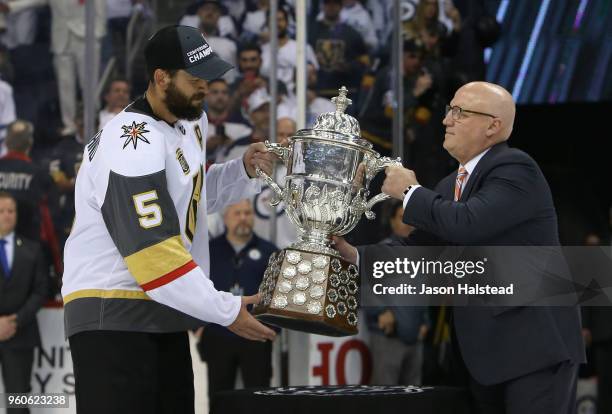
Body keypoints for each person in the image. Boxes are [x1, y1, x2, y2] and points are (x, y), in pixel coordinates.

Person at [62, 25, 276, 414]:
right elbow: (153, 254)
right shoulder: (130, 142)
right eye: (195, 79)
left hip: (163, 311)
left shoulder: (190, 121)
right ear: (161, 78)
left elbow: (186, 198)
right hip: (111, 312)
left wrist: (240, 172)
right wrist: (224, 309)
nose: (205, 88)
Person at [335, 82, 585, 413]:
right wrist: (354, 254)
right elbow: (419, 250)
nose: (446, 120)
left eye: (459, 112)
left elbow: (468, 223)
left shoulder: (516, 168)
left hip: (532, 349)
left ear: (493, 126)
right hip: (482, 356)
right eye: (449, 110)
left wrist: (410, 192)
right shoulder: (450, 184)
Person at [197, 199, 277, 399]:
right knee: (219, 396)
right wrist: (197, 327)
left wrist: (274, 328)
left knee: (259, 397)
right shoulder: (208, 251)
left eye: (248, 213)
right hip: (218, 335)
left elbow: (279, 294)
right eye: (237, 213)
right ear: (225, 218)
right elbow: (195, 287)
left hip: (256, 336)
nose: (243, 218)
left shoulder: (270, 252)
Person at [0, 191, 48, 414]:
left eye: (11, 211)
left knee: (17, 403)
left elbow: (40, 291)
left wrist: (16, 320)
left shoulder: (32, 250)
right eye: (1, 211)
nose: (7, 215)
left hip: (20, 335)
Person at [0, 120, 54, 241]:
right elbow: (48, 220)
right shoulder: (39, 175)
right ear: (30, 143)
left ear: (6, 143)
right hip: (30, 248)